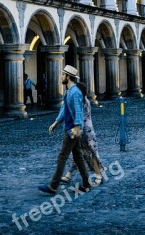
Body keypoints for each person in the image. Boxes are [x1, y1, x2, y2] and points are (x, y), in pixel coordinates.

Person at [38, 65, 92, 195]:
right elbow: (64, 109)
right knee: (78, 157)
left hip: (72, 130)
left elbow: (78, 111)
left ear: (68, 77)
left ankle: (53, 186)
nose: (61, 77)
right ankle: (86, 184)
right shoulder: (69, 92)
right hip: (70, 128)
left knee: (62, 156)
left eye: (63, 75)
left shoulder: (75, 92)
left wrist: (78, 128)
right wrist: (56, 122)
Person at [61, 82, 103, 185]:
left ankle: (99, 175)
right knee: (76, 153)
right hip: (80, 130)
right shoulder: (82, 100)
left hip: (86, 132)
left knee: (91, 153)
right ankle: (69, 175)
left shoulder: (83, 101)